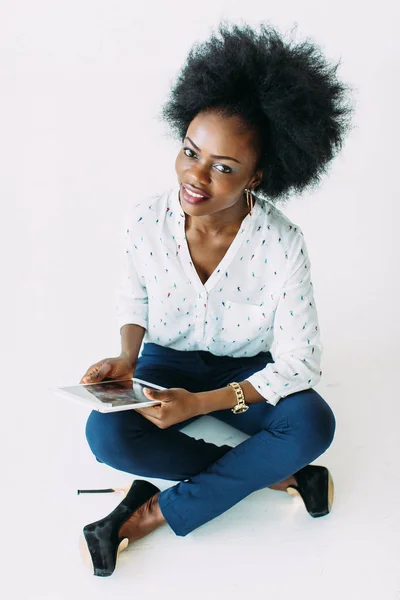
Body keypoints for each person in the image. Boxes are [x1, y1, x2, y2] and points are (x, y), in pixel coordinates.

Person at [79, 21, 353, 577]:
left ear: (259, 174)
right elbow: (133, 296)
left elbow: (300, 363)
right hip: (164, 361)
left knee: (311, 427)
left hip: (250, 373)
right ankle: (277, 474)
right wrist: (128, 359)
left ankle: (153, 509)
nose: (195, 176)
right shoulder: (144, 220)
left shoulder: (283, 245)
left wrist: (200, 404)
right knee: (105, 432)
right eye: (190, 152)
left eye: (224, 167)